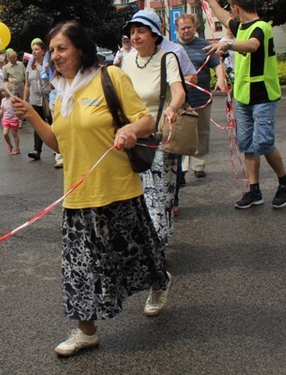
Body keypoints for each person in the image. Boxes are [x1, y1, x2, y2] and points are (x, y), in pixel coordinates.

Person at [11, 20, 171, 357]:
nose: (55, 56)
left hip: (118, 191)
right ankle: (86, 332)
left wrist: (129, 130)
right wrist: (32, 116)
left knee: (137, 256)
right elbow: (60, 144)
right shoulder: (59, 92)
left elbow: (147, 121)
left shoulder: (109, 78)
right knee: (79, 269)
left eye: (61, 48)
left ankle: (159, 285)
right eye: (52, 50)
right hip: (78, 196)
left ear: (80, 49)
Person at [197, 0, 286, 209]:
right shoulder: (240, 26)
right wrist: (211, 0)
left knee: (264, 142)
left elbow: (252, 46)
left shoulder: (262, 27)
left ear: (237, 8)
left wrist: (227, 43)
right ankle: (254, 190)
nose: (231, 13)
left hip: (263, 96)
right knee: (247, 144)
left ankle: (284, 183)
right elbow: (223, 17)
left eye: (232, 9)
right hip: (243, 96)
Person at [121, 10, 187, 246]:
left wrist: (173, 107)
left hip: (159, 137)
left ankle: (158, 244)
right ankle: (153, 243)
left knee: (160, 195)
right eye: (132, 32)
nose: (135, 37)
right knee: (139, 195)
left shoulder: (167, 58)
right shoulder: (127, 61)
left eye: (141, 31)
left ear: (154, 34)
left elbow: (178, 91)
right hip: (134, 137)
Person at [175, 14, 227, 178]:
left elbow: (217, 64)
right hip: (180, 99)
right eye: (182, 28)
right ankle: (182, 168)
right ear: (177, 30)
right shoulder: (172, 48)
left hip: (202, 98)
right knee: (181, 133)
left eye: (189, 27)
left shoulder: (205, 46)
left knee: (202, 132)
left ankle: (199, 165)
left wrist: (220, 79)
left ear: (194, 27)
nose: (186, 31)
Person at [23, 38, 50, 160]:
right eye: (32, 50)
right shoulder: (30, 66)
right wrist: (24, 100)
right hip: (35, 99)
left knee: (53, 123)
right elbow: (27, 85)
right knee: (38, 124)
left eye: (37, 49)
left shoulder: (48, 64)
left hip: (48, 98)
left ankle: (58, 149)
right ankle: (36, 150)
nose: (34, 52)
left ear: (43, 51)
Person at [0, 86, 21, 154]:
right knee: (5, 134)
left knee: (15, 135)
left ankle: (17, 148)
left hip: (14, 119)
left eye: (4, 91)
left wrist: (19, 117)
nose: (3, 93)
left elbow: (18, 107)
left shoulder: (13, 99)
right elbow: (2, 110)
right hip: (6, 119)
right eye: (2, 91)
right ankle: (10, 145)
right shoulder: (3, 100)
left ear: (9, 90)